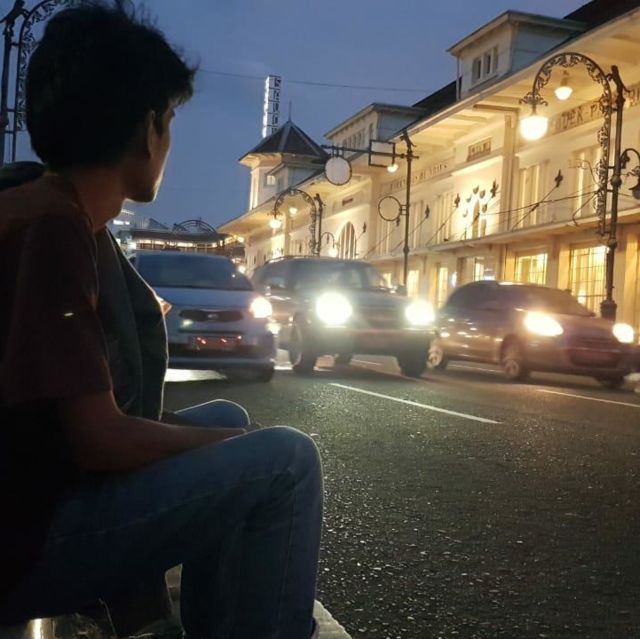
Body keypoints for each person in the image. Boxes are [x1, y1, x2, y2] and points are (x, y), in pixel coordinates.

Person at [0, 3, 322, 638]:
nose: (169, 140)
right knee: (286, 461)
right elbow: (97, 439)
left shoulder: (47, 209)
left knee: (228, 417)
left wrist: (222, 441)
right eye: (169, 119)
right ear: (146, 128)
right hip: (25, 536)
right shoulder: (54, 229)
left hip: (30, 491)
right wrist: (229, 451)